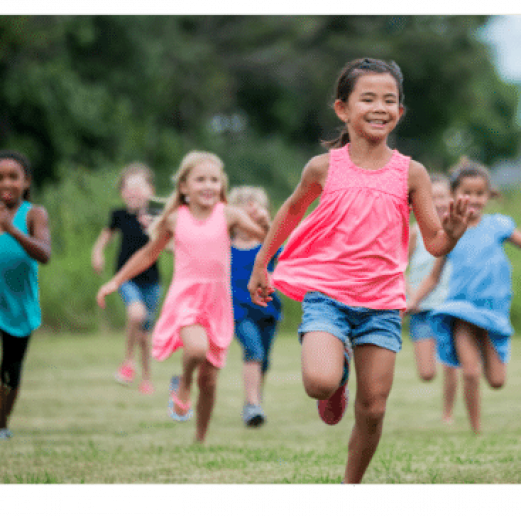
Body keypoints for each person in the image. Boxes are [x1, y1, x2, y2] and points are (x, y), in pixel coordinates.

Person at [248, 58, 472, 486]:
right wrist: (263, 261)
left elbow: (435, 242)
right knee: (319, 382)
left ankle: (350, 482)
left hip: (381, 303)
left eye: (389, 100)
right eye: (367, 98)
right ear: (342, 109)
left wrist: (455, 232)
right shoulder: (323, 167)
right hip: (327, 296)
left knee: (372, 409)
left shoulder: (412, 174)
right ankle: (338, 378)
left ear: (399, 112)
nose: (379, 107)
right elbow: (291, 210)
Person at [97, 152, 267, 444]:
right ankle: (184, 383)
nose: (208, 185)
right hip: (186, 298)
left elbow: (265, 237)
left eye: (214, 179)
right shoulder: (176, 219)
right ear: (184, 186)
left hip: (217, 302)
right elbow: (148, 254)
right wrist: (116, 281)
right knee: (197, 350)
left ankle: (200, 438)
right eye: (200, 179)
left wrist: (265, 221)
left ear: (221, 185)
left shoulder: (228, 214)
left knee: (211, 381)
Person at [408, 157, 521, 435]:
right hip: (460, 309)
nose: (473, 199)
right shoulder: (450, 233)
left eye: (480, 193)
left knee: (496, 381)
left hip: (493, 311)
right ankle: (476, 428)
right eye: (466, 193)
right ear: (454, 195)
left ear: (488, 195)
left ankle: (485, 347)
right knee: (469, 372)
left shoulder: (499, 226)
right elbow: (434, 277)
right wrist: (412, 302)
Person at [92, 164, 161, 395]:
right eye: (128, 188)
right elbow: (104, 239)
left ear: (150, 190)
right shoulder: (118, 215)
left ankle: (147, 378)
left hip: (152, 281)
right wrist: (97, 253)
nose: (133, 192)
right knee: (136, 314)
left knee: (145, 334)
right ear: (122, 192)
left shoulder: (157, 216)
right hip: (125, 278)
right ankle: (128, 362)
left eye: (139, 187)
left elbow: (170, 246)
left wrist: (153, 229)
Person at [0, 151, 51, 440]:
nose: (6, 183)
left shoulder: (34, 214)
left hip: (18, 305)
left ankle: (2, 423)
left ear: (26, 181)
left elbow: (44, 254)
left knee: (10, 373)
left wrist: (11, 231)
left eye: (13, 177)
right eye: (0, 178)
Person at [406, 175, 459, 424]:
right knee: (427, 373)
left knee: (450, 365)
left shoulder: (458, 231)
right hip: (421, 308)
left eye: (442, 196)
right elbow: (399, 266)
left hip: (451, 307)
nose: (438, 202)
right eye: (432, 197)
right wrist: (410, 297)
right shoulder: (415, 233)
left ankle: (447, 413)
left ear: (453, 198)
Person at [229, 186, 282, 427]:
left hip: (268, 311)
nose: (250, 211)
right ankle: (252, 404)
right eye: (243, 206)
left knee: (264, 360)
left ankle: (253, 402)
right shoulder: (224, 245)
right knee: (253, 351)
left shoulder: (267, 243)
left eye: (256, 206)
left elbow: (284, 255)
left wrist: (268, 225)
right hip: (238, 310)